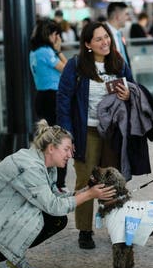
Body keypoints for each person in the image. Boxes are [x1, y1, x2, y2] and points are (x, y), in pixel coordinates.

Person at [0, 120, 116, 268]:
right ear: (51, 148)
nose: (70, 155)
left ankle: (13, 255)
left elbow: (54, 196)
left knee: (56, 220)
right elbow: (53, 206)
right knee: (43, 216)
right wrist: (89, 195)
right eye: (66, 149)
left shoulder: (45, 164)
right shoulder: (30, 166)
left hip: (0, 217)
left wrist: (84, 191)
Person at [57, 21, 134, 249]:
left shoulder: (118, 63)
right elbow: (63, 100)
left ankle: (115, 224)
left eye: (106, 37)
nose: (105, 42)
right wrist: (66, 134)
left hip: (112, 131)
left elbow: (134, 88)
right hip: (85, 131)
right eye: (98, 39)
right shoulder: (77, 65)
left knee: (112, 178)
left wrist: (128, 94)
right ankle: (84, 230)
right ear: (88, 44)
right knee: (85, 179)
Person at [29, 19, 68, 189]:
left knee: (49, 141)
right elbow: (67, 70)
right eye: (56, 34)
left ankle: (53, 181)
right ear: (49, 34)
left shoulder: (34, 52)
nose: (58, 37)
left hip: (42, 97)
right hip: (52, 98)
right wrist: (59, 51)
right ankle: (58, 182)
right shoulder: (46, 52)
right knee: (58, 141)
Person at [105, 2, 130, 66]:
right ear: (118, 17)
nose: (128, 17)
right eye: (126, 14)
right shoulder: (102, 34)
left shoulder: (119, 33)